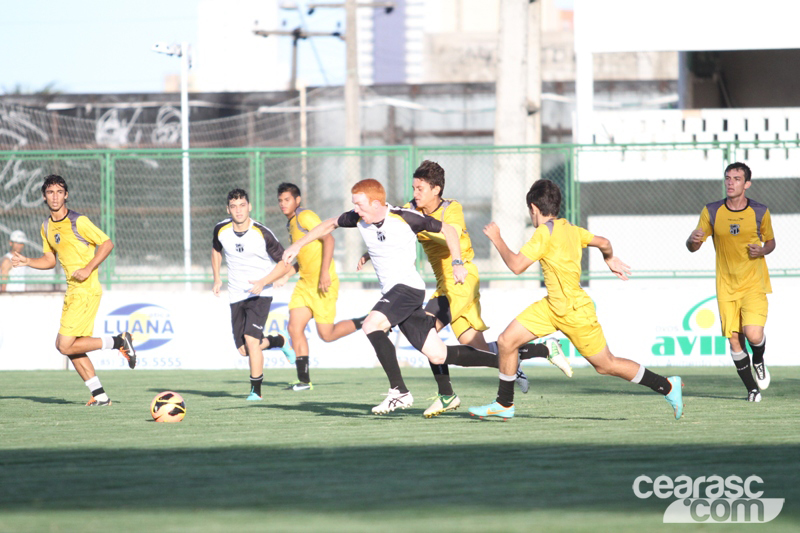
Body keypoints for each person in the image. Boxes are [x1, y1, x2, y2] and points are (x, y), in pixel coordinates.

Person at [283, 178, 524, 417]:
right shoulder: (358, 218)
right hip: (395, 294)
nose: (355, 209)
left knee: (371, 324)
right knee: (438, 354)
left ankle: (399, 391)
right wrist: (297, 246)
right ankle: (503, 361)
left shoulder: (405, 217)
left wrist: (457, 263)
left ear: (376, 203)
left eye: (359, 204)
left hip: (407, 289)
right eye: (354, 204)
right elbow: (329, 224)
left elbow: (449, 230)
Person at [469, 179, 684, 420]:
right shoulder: (570, 228)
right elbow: (604, 243)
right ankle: (504, 403)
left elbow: (517, 266)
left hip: (575, 311)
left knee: (606, 365)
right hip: (551, 307)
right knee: (507, 341)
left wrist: (497, 238)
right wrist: (609, 258)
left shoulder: (544, 233)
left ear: (534, 208)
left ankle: (667, 385)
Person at [401, 161, 574, 399]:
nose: (415, 193)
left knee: (425, 333)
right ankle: (543, 349)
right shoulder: (410, 209)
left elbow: (450, 234)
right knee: (480, 352)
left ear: (436, 189)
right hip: (447, 285)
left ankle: (446, 395)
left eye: (420, 188)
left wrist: (421, 226)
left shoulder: (451, 208)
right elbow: (393, 229)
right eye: (413, 188)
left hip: (461, 280)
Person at [11, 174, 136, 406]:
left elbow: (107, 243)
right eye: (50, 192)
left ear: (66, 195)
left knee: (64, 345)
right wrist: (27, 261)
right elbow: (50, 260)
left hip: (86, 290)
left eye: (59, 192)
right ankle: (100, 397)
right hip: (73, 291)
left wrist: (88, 268)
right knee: (71, 347)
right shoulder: (46, 226)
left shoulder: (79, 221)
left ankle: (119, 341)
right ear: (44, 196)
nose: (55, 197)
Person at [686, 162, 775, 402]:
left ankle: (759, 360)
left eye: (736, 179)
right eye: (727, 178)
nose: (730, 182)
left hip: (754, 284)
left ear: (747, 184)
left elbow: (770, 241)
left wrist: (762, 250)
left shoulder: (760, 211)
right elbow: (693, 246)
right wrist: (693, 240)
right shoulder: (712, 211)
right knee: (735, 339)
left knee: (753, 335)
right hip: (726, 287)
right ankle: (752, 389)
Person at [276, 182, 367, 391]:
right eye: (280, 200)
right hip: (305, 285)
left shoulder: (305, 216)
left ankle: (366, 320)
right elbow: (305, 258)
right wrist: (287, 275)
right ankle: (303, 381)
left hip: (323, 284)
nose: (283, 204)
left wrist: (325, 272)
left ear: (297, 200)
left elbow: (329, 239)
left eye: (287, 199)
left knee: (327, 335)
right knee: (294, 328)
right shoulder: (291, 224)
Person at [212, 188, 296, 401]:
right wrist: (217, 278)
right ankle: (278, 341)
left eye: (242, 205)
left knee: (251, 340)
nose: (238, 210)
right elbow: (216, 250)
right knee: (244, 350)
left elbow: (285, 263)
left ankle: (255, 391)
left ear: (249, 207)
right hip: (236, 295)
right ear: (228, 209)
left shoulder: (262, 233)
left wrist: (263, 282)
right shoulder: (221, 229)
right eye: (233, 206)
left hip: (260, 293)